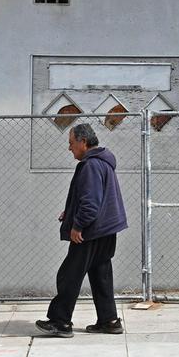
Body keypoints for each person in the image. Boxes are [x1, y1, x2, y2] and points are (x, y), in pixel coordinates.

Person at [35, 122, 128, 337]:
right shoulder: (103, 162)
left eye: (71, 143)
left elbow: (91, 203)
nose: (69, 148)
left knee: (69, 274)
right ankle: (109, 320)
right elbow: (96, 199)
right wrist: (69, 213)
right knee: (100, 274)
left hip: (91, 231)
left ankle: (60, 322)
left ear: (83, 142)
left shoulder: (91, 166)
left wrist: (77, 226)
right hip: (107, 230)